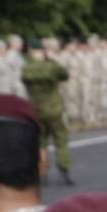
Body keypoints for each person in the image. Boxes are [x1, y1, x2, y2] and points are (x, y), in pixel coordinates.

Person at [25, 43, 72, 183]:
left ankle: (42, 171)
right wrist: (51, 60)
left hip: (36, 109)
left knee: (41, 142)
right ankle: (64, 169)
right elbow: (65, 74)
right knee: (61, 139)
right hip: (54, 108)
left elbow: (25, 81)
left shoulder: (26, 69)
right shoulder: (51, 66)